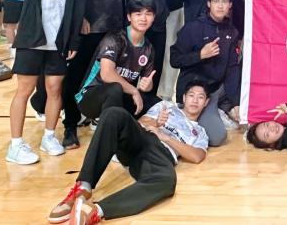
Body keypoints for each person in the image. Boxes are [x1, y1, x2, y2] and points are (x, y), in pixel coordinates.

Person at [0, 0, 87, 165]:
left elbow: (78, 8)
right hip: (32, 38)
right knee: (24, 90)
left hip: (59, 41)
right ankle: (15, 145)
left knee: (55, 89)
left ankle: (49, 136)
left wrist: (74, 41)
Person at [48, 80, 210, 224]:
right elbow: (141, 121)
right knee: (114, 113)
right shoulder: (166, 106)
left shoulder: (200, 132)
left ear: (206, 102)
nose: (195, 100)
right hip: (141, 138)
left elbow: (196, 156)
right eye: (191, 95)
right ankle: (83, 188)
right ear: (184, 98)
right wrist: (157, 122)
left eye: (200, 97)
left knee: (167, 180)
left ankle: (96, 210)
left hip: (161, 155)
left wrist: (166, 138)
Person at [63, 0, 130, 149]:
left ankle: (102, 120)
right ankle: (70, 125)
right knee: (75, 77)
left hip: (114, 27)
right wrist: (79, 18)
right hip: (88, 27)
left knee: (109, 78)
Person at [170, 0, 241, 146]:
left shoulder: (232, 32)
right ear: (209, 3)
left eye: (224, 1)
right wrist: (200, 55)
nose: (220, 6)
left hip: (217, 90)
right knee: (217, 137)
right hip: (197, 92)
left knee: (242, 71)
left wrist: (235, 102)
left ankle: (224, 106)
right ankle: (207, 110)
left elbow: (232, 69)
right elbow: (175, 60)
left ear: (230, 5)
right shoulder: (192, 28)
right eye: (216, 1)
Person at [75, 0, 159, 121]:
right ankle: (105, 128)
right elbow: (107, 74)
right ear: (129, 17)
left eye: (148, 14)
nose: (143, 18)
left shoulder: (149, 48)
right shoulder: (115, 39)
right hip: (89, 97)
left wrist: (148, 85)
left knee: (156, 104)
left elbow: (147, 80)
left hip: (121, 96)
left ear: (154, 17)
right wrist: (134, 91)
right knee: (115, 89)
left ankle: (134, 130)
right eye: (138, 14)